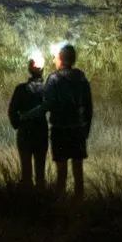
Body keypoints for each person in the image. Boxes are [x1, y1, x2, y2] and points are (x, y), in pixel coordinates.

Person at [43, 42, 92, 197]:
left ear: (61, 59)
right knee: (78, 172)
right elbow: (88, 107)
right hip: (77, 130)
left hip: (60, 130)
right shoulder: (81, 78)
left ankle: (60, 205)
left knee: (61, 173)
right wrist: (86, 130)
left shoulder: (53, 79)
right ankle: (79, 204)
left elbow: (47, 104)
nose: (53, 61)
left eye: (55, 57)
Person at [7, 57, 50, 186]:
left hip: (25, 132)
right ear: (42, 70)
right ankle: (41, 200)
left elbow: (12, 111)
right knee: (40, 173)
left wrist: (18, 123)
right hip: (41, 132)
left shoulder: (21, 89)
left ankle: (26, 199)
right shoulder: (47, 89)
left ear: (29, 69)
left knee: (26, 173)